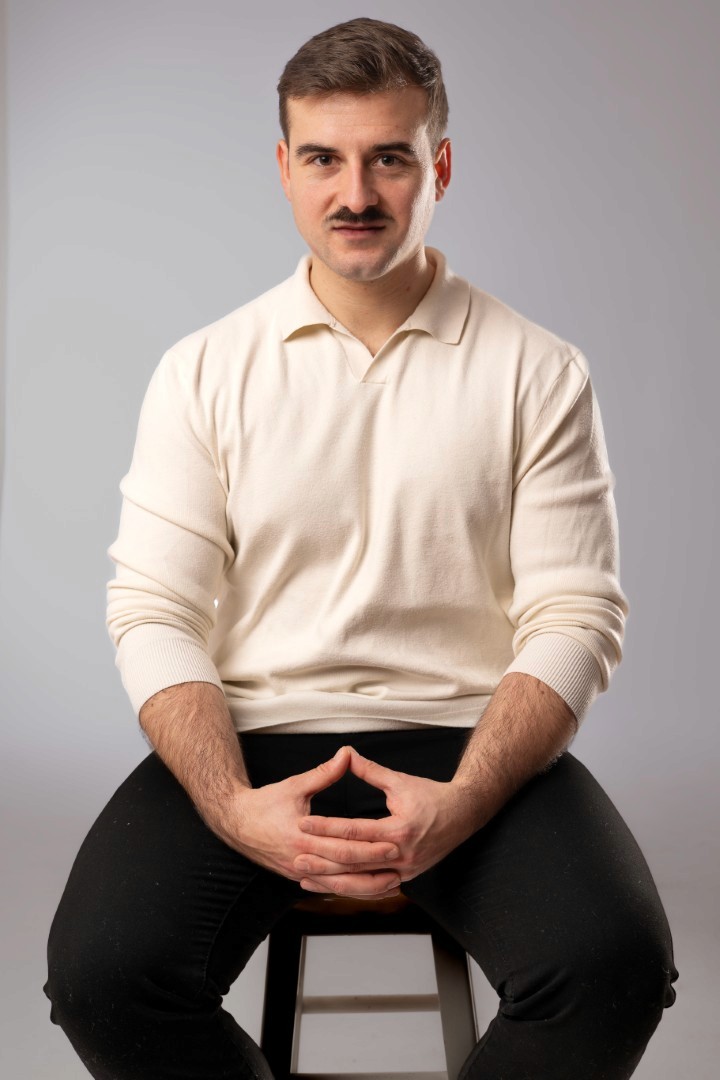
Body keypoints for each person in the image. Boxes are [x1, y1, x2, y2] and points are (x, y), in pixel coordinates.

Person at [43, 16, 679, 1079]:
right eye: (325, 160)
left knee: (612, 967)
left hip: (468, 737)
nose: (356, 194)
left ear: (438, 165)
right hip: (252, 735)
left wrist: (469, 797)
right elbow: (155, 609)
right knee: (104, 975)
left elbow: (576, 615)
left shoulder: (537, 369)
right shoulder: (204, 371)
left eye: (389, 157)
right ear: (284, 169)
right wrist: (231, 806)